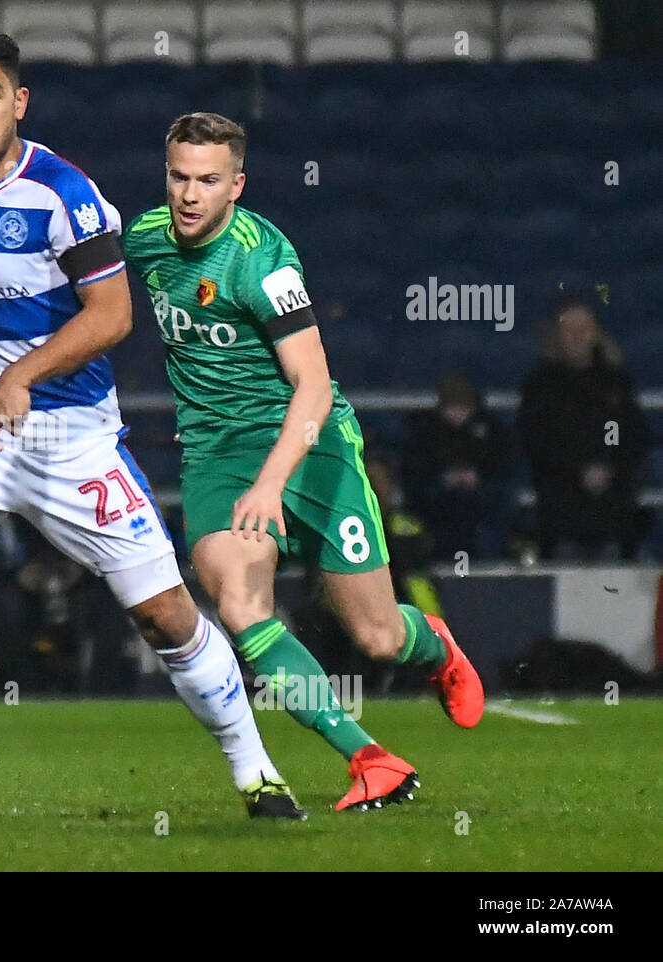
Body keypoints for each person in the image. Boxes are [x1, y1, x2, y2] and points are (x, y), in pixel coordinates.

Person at [0, 29, 304, 819]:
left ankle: (255, 769)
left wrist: (23, 373)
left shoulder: (66, 196)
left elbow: (111, 316)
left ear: (19, 103)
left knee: (165, 616)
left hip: (69, 437)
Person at [122, 112, 485, 812]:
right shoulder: (144, 240)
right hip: (218, 457)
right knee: (239, 602)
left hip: (311, 444)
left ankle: (434, 645)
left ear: (237, 185)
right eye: (178, 177)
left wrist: (272, 481)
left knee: (378, 638)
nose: (190, 194)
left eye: (207, 180)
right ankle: (368, 758)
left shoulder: (263, 259)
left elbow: (312, 384)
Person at [518, 296, 648, 560]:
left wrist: (608, 468)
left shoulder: (616, 382)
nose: (577, 336)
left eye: (584, 328)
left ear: (596, 333)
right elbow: (535, 440)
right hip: (561, 511)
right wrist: (578, 470)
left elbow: (633, 436)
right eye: (569, 329)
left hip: (613, 513)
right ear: (557, 334)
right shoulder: (541, 385)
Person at [401, 372, 512, 561]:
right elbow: (415, 475)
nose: (457, 413)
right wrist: (445, 479)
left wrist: (477, 477)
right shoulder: (426, 433)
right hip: (437, 507)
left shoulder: (492, 431)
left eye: (463, 406)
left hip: (482, 506)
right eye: (452, 406)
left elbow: (502, 467)